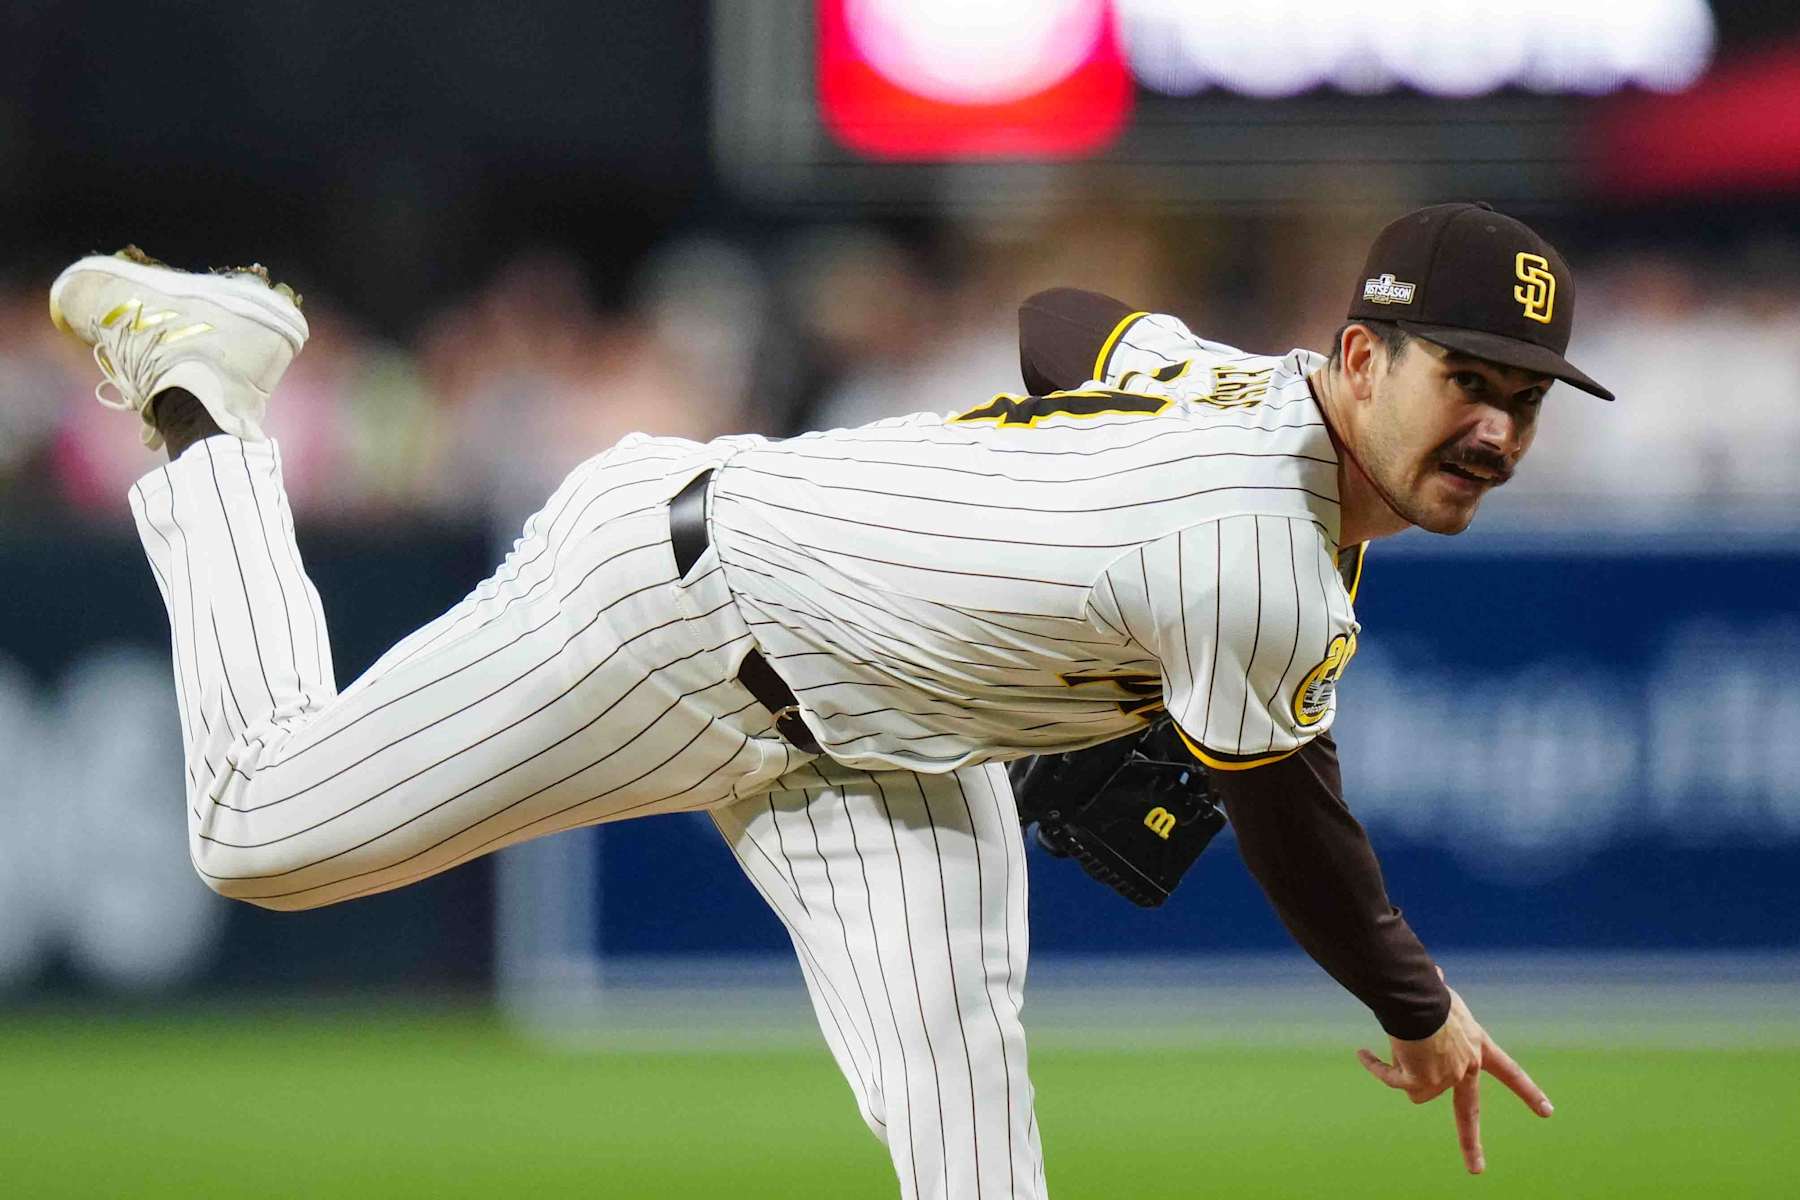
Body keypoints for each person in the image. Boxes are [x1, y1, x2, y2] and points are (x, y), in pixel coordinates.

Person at [49, 201, 1597, 1197]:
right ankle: (209, 395)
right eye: (1466, 378)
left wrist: (1053, 542)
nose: (1496, 428)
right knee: (258, 833)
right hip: (669, 612)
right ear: (1359, 356)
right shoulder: (1257, 550)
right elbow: (1295, 828)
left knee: (972, 1153)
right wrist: (1425, 1009)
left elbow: (1064, 322)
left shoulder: (1239, 386)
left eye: (1522, 396)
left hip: (882, 748)